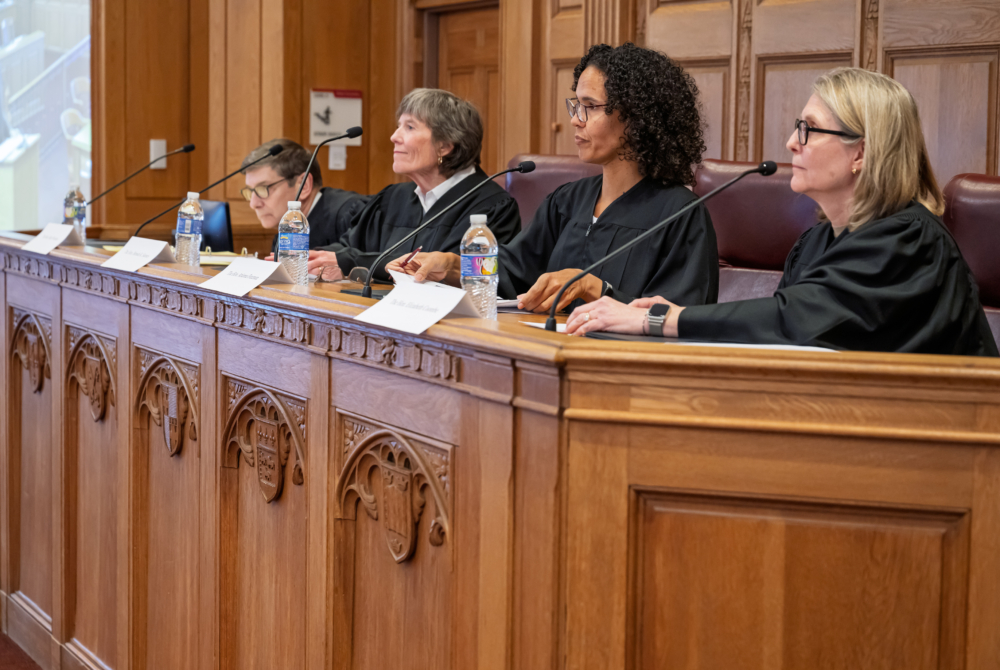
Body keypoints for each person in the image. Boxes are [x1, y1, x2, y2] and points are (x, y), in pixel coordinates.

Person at [566, 67, 999, 357]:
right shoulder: (816, 242)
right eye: (797, 127)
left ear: (862, 153)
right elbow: (784, 342)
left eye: (809, 129)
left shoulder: (909, 241)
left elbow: (796, 319)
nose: (792, 143)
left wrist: (660, 319)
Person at [388, 43, 718, 313]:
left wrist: (598, 290)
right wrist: (455, 267)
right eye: (575, 105)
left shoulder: (680, 215)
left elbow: (682, 318)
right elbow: (514, 274)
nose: (575, 120)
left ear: (636, 118)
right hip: (546, 355)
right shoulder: (566, 202)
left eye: (590, 106)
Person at [306, 89, 520, 281]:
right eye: (398, 126)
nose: (394, 137)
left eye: (409, 127)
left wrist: (352, 262)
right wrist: (317, 259)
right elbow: (349, 247)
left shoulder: (490, 208)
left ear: (444, 145)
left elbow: (435, 273)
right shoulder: (392, 198)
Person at [241, 138, 368, 249]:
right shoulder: (287, 230)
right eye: (251, 191)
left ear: (304, 186)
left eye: (263, 189)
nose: (253, 204)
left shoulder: (352, 216)